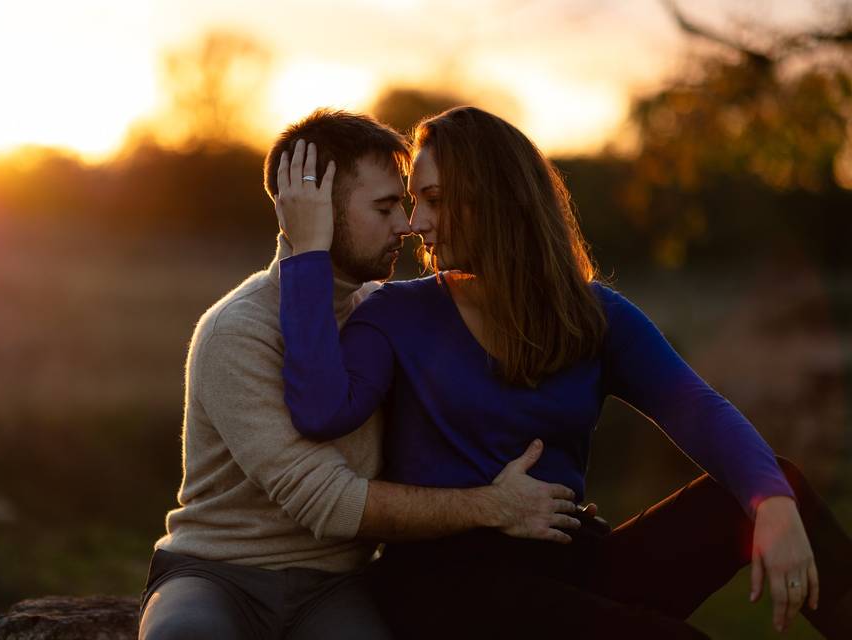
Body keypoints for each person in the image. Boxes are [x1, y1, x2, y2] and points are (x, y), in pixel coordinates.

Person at [275, 106, 852, 638]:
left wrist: (771, 503)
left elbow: (699, 411)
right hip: (446, 585)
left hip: (568, 560)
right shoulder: (394, 314)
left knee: (776, 485)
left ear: (499, 201)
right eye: (413, 200)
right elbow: (321, 410)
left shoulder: (593, 315)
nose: (416, 222)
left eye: (437, 200)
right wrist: (304, 254)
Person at [138, 109, 685, 640]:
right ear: (316, 212)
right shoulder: (238, 331)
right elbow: (325, 499)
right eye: (385, 208)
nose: (407, 224)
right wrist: (493, 507)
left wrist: (547, 498)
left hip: (336, 585)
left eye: (407, 204)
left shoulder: (380, 313)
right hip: (217, 572)